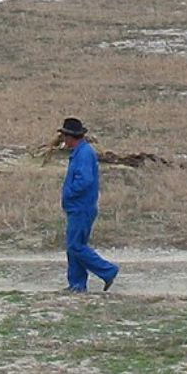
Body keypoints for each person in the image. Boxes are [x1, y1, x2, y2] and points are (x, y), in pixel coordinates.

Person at [57, 117, 119, 293]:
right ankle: (77, 285)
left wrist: (69, 192)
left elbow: (85, 180)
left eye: (64, 136)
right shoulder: (81, 151)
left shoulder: (84, 153)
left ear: (71, 136)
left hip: (81, 207)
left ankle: (108, 270)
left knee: (75, 246)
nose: (63, 140)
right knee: (74, 246)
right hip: (78, 207)